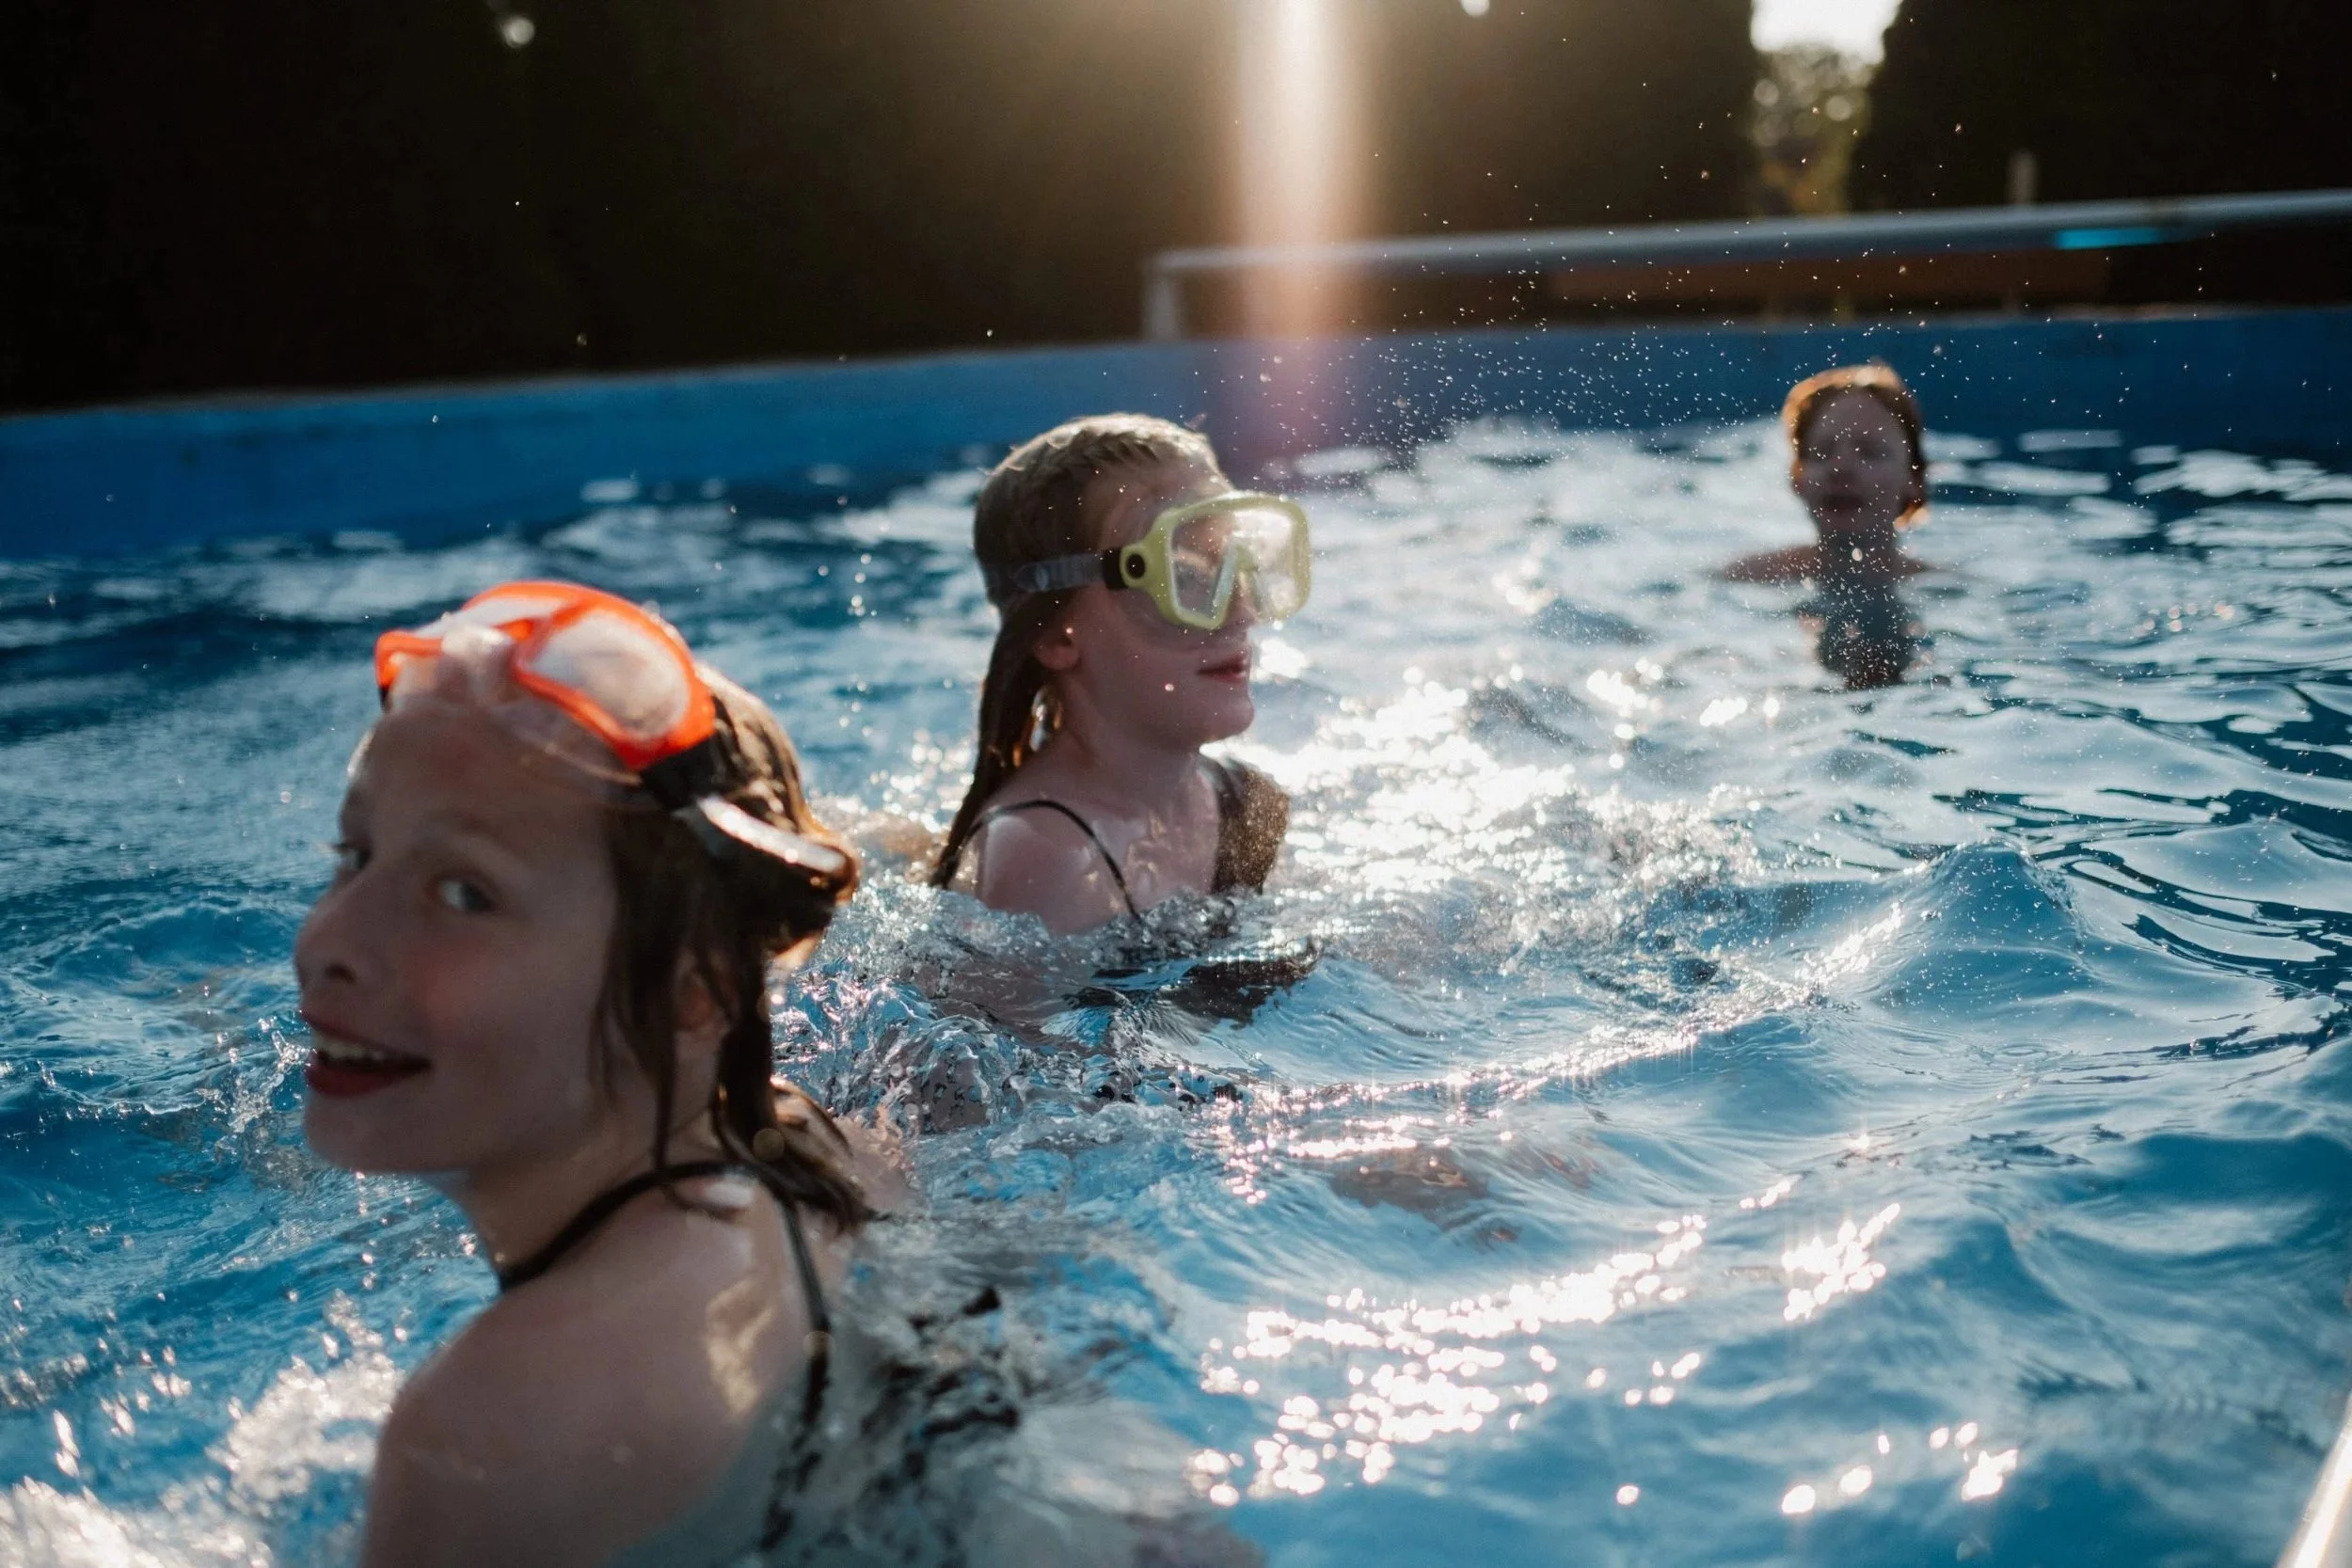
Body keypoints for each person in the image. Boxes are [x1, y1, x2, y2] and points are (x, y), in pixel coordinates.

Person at [295, 579, 901, 1567]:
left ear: (694, 992)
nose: (328, 939)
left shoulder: (485, 1433)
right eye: (352, 855)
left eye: (464, 891)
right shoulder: (822, 1154)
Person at [931, 415, 1300, 935]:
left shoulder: (1244, 802)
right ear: (1057, 636)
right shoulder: (1047, 856)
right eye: (1185, 576)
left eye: (1241, 566)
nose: (1241, 613)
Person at [1722, 362, 1934, 588]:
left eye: (1870, 453)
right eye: (1822, 453)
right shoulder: (1744, 580)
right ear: (1797, 478)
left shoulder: (1942, 587)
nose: (1840, 468)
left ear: (1915, 480)